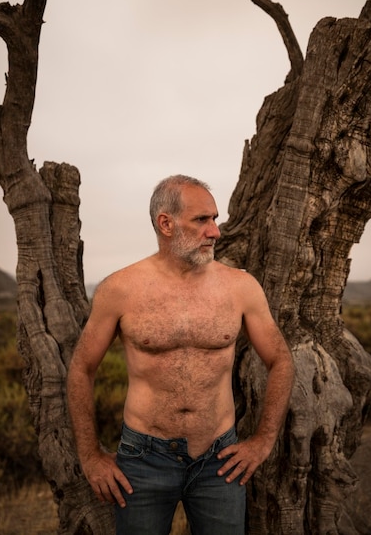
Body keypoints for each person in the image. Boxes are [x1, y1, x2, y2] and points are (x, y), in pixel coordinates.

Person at [67, 174, 294, 535]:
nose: (215, 231)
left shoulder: (240, 287)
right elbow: (82, 368)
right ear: (166, 223)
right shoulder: (120, 289)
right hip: (142, 459)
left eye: (214, 219)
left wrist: (262, 442)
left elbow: (280, 359)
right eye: (202, 220)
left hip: (220, 461)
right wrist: (91, 457)